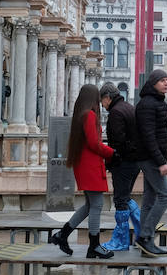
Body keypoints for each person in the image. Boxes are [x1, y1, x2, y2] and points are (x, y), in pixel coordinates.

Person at [50, 84, 116, 258]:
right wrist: (112, 153)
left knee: (89, 206)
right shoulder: (89, 115)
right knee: (97, 205)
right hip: (90, 166)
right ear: (93, 98)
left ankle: (62, 235)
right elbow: (94, 143)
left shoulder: (81, 115)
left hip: (85, 165)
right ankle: (94, 245)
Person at [133, 69, 167, 257]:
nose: (166, 83)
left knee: (149, 200)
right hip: (150, 158)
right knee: (166, 196)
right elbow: (148, 136)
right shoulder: (148, 104)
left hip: (151, 157)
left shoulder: (156, 102)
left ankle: (144, 242)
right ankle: (145, 236)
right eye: (161, 80)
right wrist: (160, 161)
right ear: (153, 83)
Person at [99, 82, 141, 249]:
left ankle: (121, 240)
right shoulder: (129, 108)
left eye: (102, 101)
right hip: (134, 162)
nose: (102, 105)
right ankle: (142, 232)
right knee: (125, 197)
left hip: (123, 163)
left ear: (108, 98)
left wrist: (112, 159)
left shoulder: (116, 113)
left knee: (120, 200)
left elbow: (118, 142)